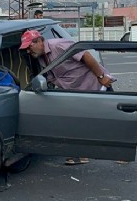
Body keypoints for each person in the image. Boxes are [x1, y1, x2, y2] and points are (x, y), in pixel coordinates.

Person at [20, 29, 114, 165]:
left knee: (110, 119)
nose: (29, 51)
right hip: (75, 92)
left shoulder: (58, 45)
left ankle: (121, 151)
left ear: (39, 41)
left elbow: (86, 56)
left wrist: (101, 77)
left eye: (30, 47)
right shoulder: (41, 57)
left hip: (95, 86)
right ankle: (80, 155)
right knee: (77, 123)